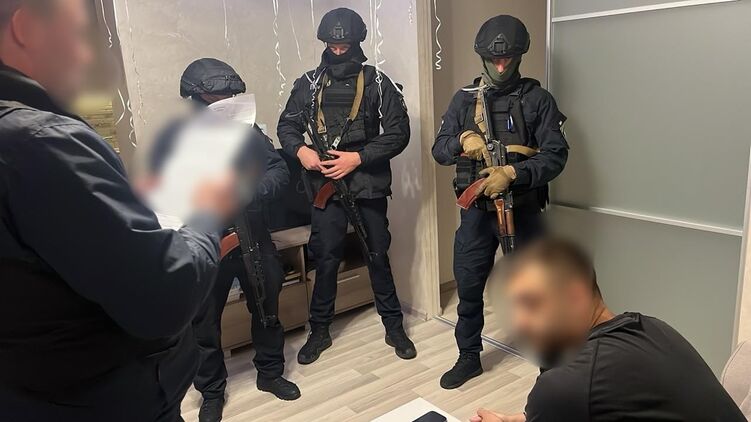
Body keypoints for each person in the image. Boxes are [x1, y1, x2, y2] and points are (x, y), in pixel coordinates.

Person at [0, 1, 238, 421]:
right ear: (27, 29)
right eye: (79, 36)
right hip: (100, 399)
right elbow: (164, 294)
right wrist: (206, 211)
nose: (88, 56)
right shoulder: (40, 139)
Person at [145, 58, 301, 422]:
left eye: (230, 95)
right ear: (196, 98)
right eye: (218, 97)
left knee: (267, 309)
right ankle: (212, 391)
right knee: (203, 326)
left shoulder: (246, 131)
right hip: (204, 245)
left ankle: (270, 373)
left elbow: (278, 170)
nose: (227, 102)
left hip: (253, 237)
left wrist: (248, 192)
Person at [432, 15, 569, 389]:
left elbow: (556, 155)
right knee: (468, 285)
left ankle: (549, 363)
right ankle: (469, 356)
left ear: (520, 55)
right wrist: (462, 139)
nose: (502, 65)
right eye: (495, 59)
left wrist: (512, 173)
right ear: (483, 57)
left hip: (522, 211)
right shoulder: (464, 99)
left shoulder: (538, 100)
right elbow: (439, 149)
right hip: (476, 215)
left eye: (508, 58)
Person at [470, 238, 745, 422]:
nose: (520, 323)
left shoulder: (566, 384)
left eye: (532, 304)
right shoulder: (652, 327)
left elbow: (571, 397)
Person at [277, 7, 416, 364]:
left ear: (357, 42)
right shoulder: (309, 84)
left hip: (366, 182)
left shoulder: (377, 82)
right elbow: (287, 126)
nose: (339, 50)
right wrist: (302, 151)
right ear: (325, 43)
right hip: (325, 182)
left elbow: (399, 133)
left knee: (376, 254)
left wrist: (358, 158)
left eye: (345, 45)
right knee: (326, 258)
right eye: (333, 45)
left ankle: (394, 326)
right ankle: (320, 330)